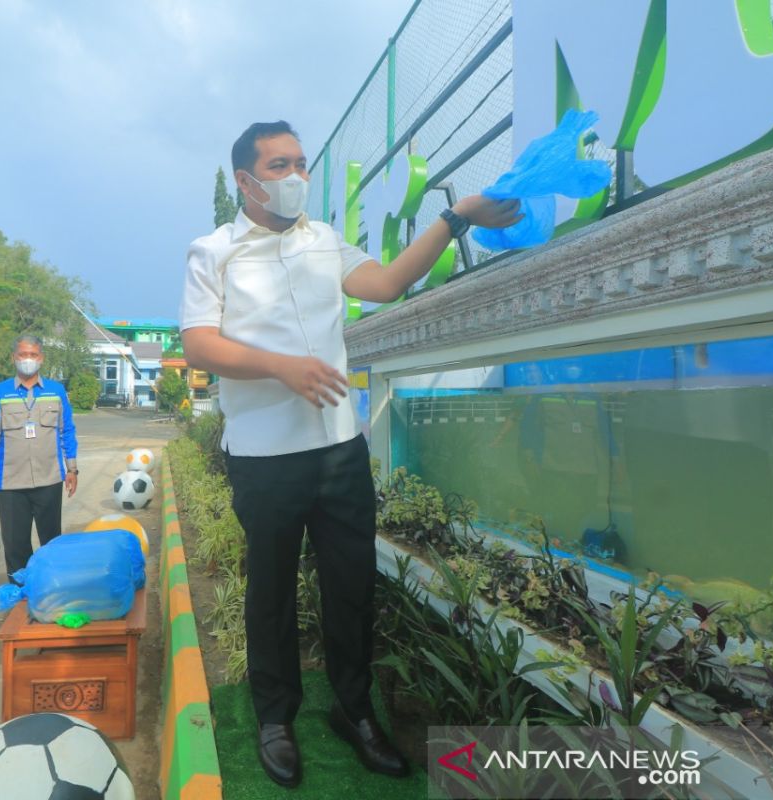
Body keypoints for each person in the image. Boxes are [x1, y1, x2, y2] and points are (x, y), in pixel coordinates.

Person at [180, 121, 521, 788]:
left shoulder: (324, 242)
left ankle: (354, 712)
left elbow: (389, 282)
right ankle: (275, 716)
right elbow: (199, 344)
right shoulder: (213, 250)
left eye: (301, 163)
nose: (295, 176)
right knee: (271, 592)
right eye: (279, 166)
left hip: (338, 451)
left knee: (350, 586)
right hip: (264, 456)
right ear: (246, 181)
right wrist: (280, 367)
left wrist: (456, 218)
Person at [0, 335, 78, 581]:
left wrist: (72, 469)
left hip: (49, 479)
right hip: (11, 483)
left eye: (33, 355)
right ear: (14, 358)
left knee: (51, 540)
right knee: (15, 544)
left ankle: (51, 588)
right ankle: (20, 594)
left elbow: (67, 431)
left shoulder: (56, 392)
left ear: (41, 359)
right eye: (23, 354)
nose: (28, 360)